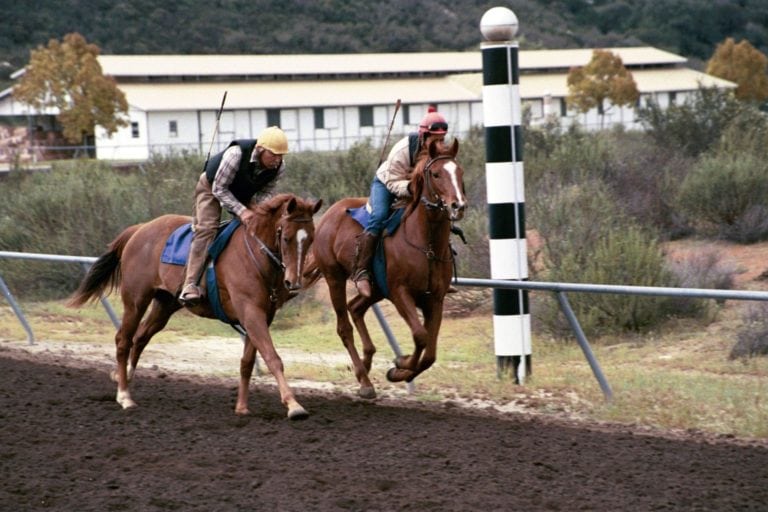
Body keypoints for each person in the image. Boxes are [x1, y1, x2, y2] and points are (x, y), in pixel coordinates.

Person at [179, 126, 289, 305]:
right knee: (207, 229)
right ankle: (190, 284)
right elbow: (219, 189)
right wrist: (242, 211)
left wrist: (258, 212)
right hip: (212, 187)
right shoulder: (236, 154)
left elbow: (265, 194)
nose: (277, 160)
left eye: (281, 156)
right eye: (273, 155)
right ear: (261, 149)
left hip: (242, 194)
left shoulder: (279, 167)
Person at [352, 111, 450, 298]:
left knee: (438, 217)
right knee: (379, 217)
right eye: (435, 139)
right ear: (424, 135)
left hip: (414, 189)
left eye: (442, 138)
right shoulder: (403, 149)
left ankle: (440, 274)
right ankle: (361, 271)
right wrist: (412, 189)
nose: (439, 143)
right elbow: (392, 181)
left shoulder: (440, 153)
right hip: (387, 183)